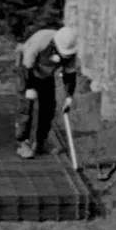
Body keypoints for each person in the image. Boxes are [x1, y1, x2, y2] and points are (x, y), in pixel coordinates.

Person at [15, 26, 80, 159]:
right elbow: (27, 66)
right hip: (27, 71)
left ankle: (41, 142)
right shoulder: (41, 41)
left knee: (48, 107)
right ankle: (23, 142)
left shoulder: (71, 52)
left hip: (46, 75)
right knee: (26, 107)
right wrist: (29, 87)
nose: (65, 56)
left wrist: (69, 97)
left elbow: (69, 75)